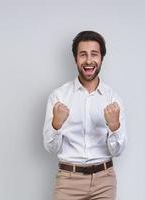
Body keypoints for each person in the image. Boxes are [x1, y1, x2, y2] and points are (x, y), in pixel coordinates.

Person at [43, 30, 127, 200]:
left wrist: (115, 127)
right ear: (75, 59)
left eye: (94, 54)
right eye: (83, 55)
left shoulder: (113, 99)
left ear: (101, 58)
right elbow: (50, 148)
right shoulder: (59, 96)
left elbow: (117, 151)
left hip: (104, 181)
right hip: (68, 181)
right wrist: (56, 125)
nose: (89, 60)